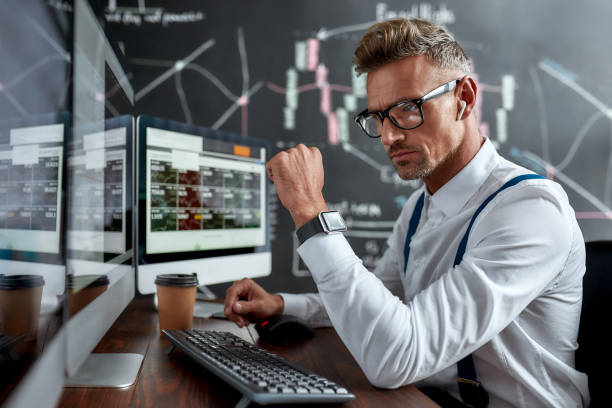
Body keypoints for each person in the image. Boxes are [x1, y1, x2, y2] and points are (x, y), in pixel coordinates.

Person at [224, 18, 589, 407]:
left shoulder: (530, 210)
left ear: (464, 97)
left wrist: (310, 210)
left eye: (406, 109)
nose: (388, 136)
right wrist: (284, 305)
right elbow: (379, 304)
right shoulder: (420, 205)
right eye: (379, 116)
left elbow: (395, 357)